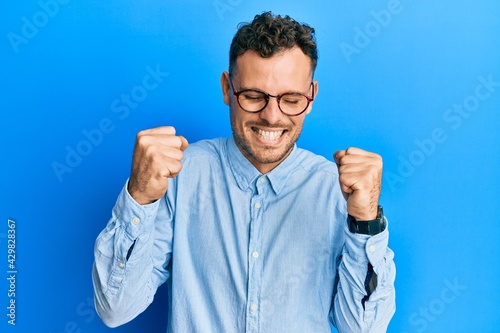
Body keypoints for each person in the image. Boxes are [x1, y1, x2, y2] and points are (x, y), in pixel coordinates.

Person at [92, 11, 396, 332]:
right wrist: (138, 198)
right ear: (227, 88)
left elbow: (364, 328)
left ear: (311, 97)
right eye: (253, 96)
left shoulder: (338, 193)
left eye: (291, 99)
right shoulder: (178, 176)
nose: (272, 116)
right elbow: (116, 309)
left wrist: (366, 222)